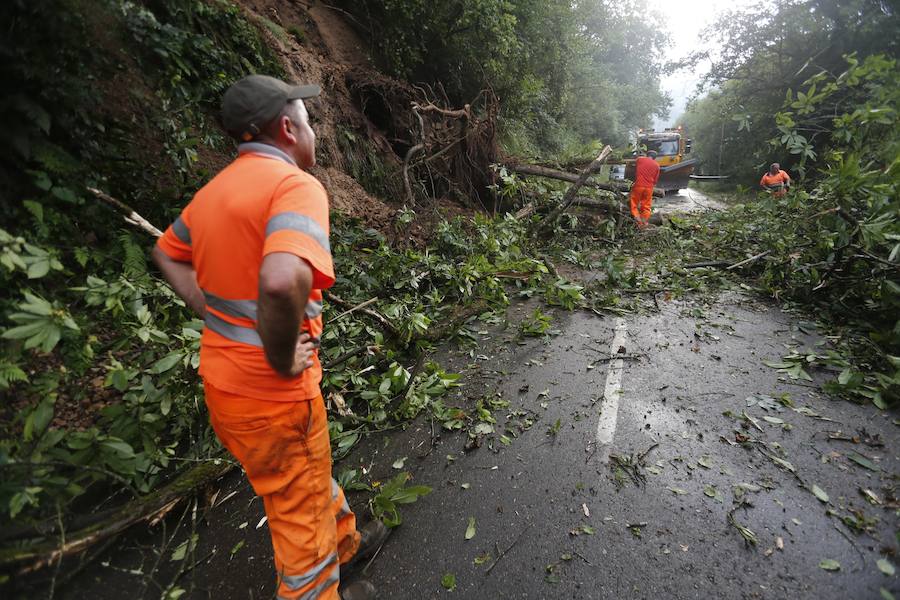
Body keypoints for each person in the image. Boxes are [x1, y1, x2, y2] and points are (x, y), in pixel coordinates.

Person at [151, 75, 387, 600]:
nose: (313, 132)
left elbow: (166, 253)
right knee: (298, 515)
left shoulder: (213, 193)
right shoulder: (293, 186)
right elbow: (282, 281)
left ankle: (345, 547)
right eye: (308, 121)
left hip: (226, 389)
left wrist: (208, 307)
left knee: (305, 477)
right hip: (274, 395)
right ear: (287, 128)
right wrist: (280, 357)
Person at [630, 150, 661, 228]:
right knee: (646, 206)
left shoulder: (640, 159)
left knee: (634, 203)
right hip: (649, 188)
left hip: (639, 186)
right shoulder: (657, 165)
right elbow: (655, 180)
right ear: (654, 158)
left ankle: (637, 220)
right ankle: (643, 223)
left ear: (647, 155)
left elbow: (635, 161)